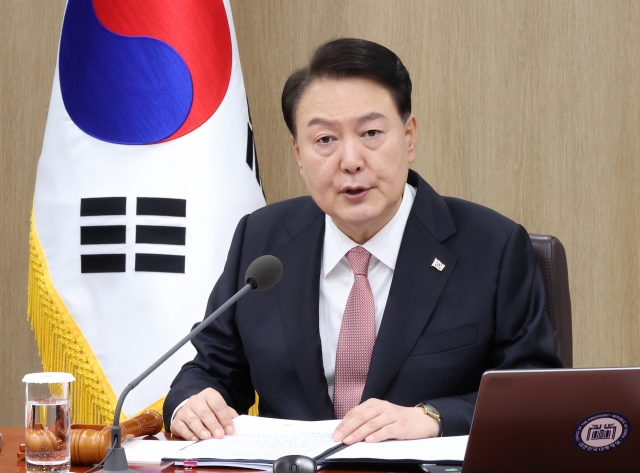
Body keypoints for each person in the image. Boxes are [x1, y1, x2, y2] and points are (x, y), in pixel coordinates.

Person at [164, 38, 561, 444]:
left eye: (371, 132)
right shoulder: (262, 240)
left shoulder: (491, 247)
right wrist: (192, 402)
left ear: (409, 136)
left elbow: (536, 393)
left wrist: (434, 417)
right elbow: (213, 368)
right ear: (298, 154)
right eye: (325, 140)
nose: (350, 160)